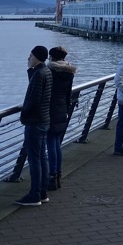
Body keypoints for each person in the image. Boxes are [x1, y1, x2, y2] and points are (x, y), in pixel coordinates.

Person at [15, 46, 52, 206]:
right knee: (42, 157)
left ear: (36, 57)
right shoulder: (46, 71)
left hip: (35, 122)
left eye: (30, 56)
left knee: (34, 159)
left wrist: (24, 115)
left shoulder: (39, 74)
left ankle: (35, 195)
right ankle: (42, 192)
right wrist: (30, 70)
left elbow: (34, 99)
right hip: (44, 120)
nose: (28, 58)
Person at [46, 46, 77, 191]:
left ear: (52, 57)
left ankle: (52, 176)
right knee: (57, 143)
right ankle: (58, 174)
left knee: (51, 143)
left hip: (51, 110)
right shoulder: (69, 72)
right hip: (63, 109)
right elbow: (68, 93)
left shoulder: (50, 71)